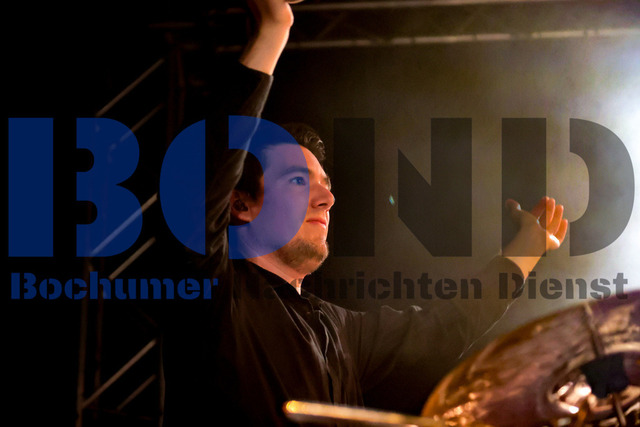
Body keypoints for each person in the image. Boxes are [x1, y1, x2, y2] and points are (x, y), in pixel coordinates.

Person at [160, 1, 569, 425]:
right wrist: (275, 28)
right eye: (298, 181)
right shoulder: (210, 291)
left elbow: (447, 326)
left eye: (326, 185)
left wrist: (526, 251)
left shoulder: (339, 329)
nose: (327, 199)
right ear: (241, 205)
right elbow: (206, 171)